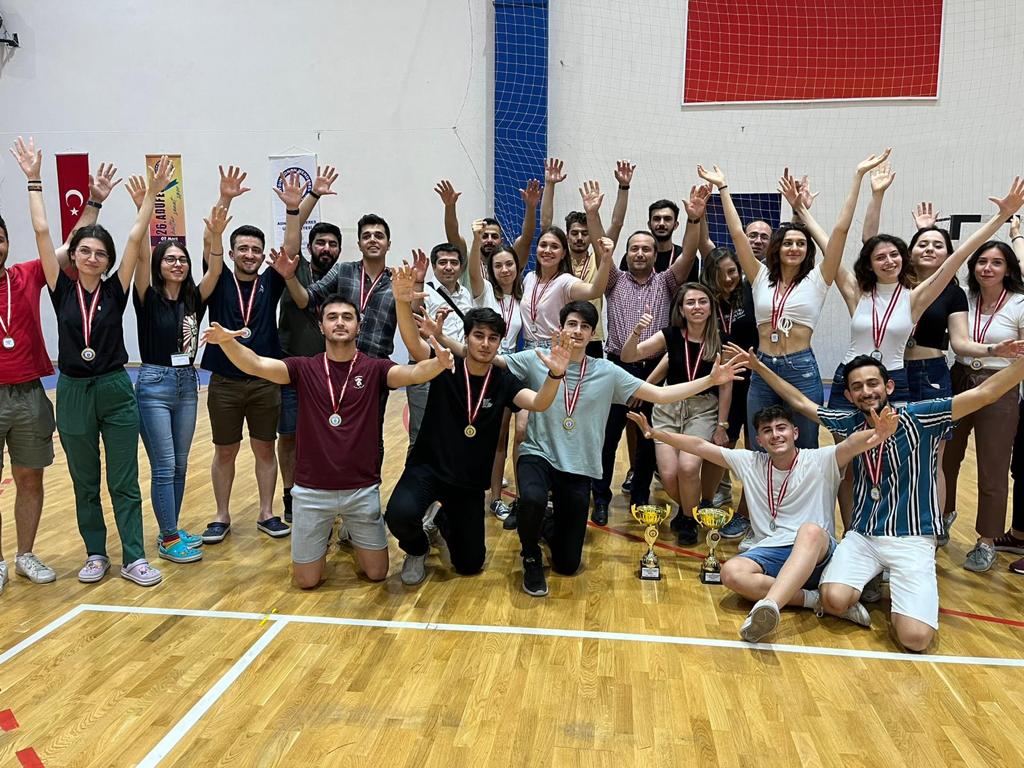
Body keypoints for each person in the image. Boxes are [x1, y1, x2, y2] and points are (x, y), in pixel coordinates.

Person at [745, 347, 1024, 651]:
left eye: (872, 383)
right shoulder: (850, 423)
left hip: (912, 538)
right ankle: (871, 581)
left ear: (888, 386)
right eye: (857, 387)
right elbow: (800, 402)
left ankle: (897, 597)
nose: (866, 392)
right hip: (863, 536)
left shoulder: (922, 416)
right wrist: (759, 367)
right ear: (849, 396)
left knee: (915, 639)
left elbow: (985, 392)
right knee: (833, 599)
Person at [201, 295, 455, 587]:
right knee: (306, 581)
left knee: (377, 573)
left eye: (347, 317)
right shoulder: (303, 368)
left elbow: (412, 373)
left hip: (360, 491)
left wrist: (438, 363)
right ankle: (322, 535)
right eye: (332, 317)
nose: (340, 323)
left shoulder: (374, 368)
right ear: (321, 326)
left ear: (359, 326)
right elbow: (256, 364)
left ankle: (347, 532)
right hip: (311, 493)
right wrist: (227, 343)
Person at [502, 296, 748, 597]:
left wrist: (709, 380)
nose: (577, 331)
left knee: (568, 564)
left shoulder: (607, 371)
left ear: (593, 334)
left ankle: (544, 524)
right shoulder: (536, 358)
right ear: (561, 328)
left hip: (577, 464)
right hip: (538, 454)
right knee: (532, 498)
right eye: (571, 324)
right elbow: (490, 360)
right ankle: (530, 556)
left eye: (585, 326)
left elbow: (660, 395)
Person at [17, 137, 169, 586]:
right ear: (75, 255)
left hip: (115, 389)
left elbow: (136, 237)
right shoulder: (59, 286)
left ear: (107, 262)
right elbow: (43, 232)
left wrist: (152, 196)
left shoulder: (117, 289)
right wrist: (33, 179)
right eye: (84, 250)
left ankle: (134, 557)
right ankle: (96, 553)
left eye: (100, 253)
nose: (91, 257)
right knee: (85, 481)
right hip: (72, 392)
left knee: (123, 480)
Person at [627, 402, 898, 643]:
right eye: (767, 431)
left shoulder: (820, 459)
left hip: (816, 552)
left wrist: (877, 434)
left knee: (810, 530)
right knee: (731, 573)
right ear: (758, 439)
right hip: (772, 550)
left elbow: (850, 444)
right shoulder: (750, 462)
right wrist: (655, 434)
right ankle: (814, 600)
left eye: (781, 428)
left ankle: (769, 606)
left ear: (795, 433)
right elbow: (700, 446)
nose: (775, 435)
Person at [388, 264, 569, 584]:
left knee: (470, 564)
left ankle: (443, 519)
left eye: (492, 338)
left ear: (500, 342)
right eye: (478, 336)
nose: (485, 343)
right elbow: (414, 344)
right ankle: (417, 548)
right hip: (428, 467)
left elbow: (539, 402)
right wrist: (403, 301)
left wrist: (556, 374)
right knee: (399, 516)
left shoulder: (504, 381)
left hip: (468, 482)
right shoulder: (445, 363)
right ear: (467, 338)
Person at [698, 154, 890, 448]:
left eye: (801, 243)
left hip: (801, 369)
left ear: (807, 250)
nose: (794, 247)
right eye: (788, 242)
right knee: (760, 445)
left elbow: (840, 231)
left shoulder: (818, 279)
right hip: (762, 367)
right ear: (777, 247)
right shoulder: (760, 275)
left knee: (806, 445)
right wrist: (723, 188)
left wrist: (858, 177)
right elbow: (737, 234)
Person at [0, 155, 121, 593]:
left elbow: (72, 244)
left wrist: (94, 202)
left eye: (0, 239)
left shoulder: (26, 275)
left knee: (30, 478)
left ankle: (24, 555)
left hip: (30, 393)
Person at [130, 170, 230, 564]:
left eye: (182, 259)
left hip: (188, 384)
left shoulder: (193, 299)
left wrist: (216, 236)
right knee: (165, 464)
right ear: (159, 264)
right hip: (153, 384)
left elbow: (216, 271)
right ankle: (170, 538)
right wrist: (147, 202)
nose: (177, 263)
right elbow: (139, 253)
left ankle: (169, 528)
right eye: (170, 258)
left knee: (181, 464)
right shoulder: (145, 296)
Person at [200, 176, 289, 542]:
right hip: (224, 382)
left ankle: (267, 512)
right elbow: (210, 240)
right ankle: (221, 515)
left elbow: (291, 247)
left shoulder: (272, 281)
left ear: (262, 254)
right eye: (243, 249)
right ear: (232, 253)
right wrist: (224, 198)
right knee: (225, 450)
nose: (250, 254)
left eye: (256, 249)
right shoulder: (218, 277)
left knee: (265, 448)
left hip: (264, 381)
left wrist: (292, 208)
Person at [621, 282, 732, 544]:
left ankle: (689, 520)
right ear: (681, 309)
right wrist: (637, 331)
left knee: (688, 467)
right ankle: (690, 510)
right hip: (668, 408)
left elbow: (726, 385)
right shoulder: (669, 335)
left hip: (702, 410)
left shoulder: (721, 340)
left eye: (702, 301)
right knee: (669, 476)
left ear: (710, 307)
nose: (697, 307)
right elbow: (628, 356)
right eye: (690, 302)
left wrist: (722, 425)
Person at [942, 239, 1024, 572]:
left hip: (999, 384)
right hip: (959, 377)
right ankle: (942, 517)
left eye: (996, 263)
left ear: (1008, 269)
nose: (987, 268)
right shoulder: (963, 296)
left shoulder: (1019, 302)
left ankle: (987, 541)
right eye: (982, 262)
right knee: (945, 458)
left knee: (993, 467)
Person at [274, 166, 342, 523]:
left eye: (332, 244)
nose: (325, 248)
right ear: (311, 246)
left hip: (330, 373)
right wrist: (309, 197)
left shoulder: (343, 277)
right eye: (320, 243)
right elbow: (292, 238)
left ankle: (326, 492)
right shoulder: (294, 265)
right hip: (292, 366)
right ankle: (290, 495)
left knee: (329, 435)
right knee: (289, 435)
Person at [540, 157, 634, 357]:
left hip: (591, 337)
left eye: (585, 233)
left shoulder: (600, 258)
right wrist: (549, 185)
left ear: (591, 236)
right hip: (561, 334)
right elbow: (545, 225)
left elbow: (617, 224)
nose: (580, 238)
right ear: (567, 236)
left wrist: (623, 187)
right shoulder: (557, 261)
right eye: (574, 233)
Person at [466, 222, 525, 521]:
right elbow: (474, 271)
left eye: (509, 264)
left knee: (520, 435)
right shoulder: (485, 291)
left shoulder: (524, 297)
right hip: (491, 369)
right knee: (496, 436)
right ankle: (494, 498)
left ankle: (521, 497)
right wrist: (476, 240)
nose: (504, 270)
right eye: (498, 265)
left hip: (516, 370)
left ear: (517, 267)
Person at [406, 242, 477, 448]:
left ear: (460, 267)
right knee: (421, 435)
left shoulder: (466, 294)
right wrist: (418, 282)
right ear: (434, 266)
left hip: (457, 371)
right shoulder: (423, 290)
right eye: (443, 262)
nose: (448, 267)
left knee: (454, 432)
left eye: (454, 262)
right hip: (426, 369)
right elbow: (415, 312)